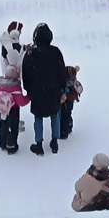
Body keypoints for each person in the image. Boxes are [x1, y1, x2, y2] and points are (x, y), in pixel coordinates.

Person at [22, 23, 68, 154]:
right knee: (55, 115)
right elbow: (61, 72)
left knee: (38, 117)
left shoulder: (30, 53)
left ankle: (39, 143)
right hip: (54, 90)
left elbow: (26, 74)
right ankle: (55, 142)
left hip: (37, 91)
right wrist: (62, 88)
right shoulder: (55, 52)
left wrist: (28, 89)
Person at [0, 63, 27, 154]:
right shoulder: (16, 87)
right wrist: (29, 97)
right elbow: (21, 102)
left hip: (1, 110)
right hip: (13, 110)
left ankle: (2, 143)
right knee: (12, 127)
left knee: (2, 126)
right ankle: (11, 146)